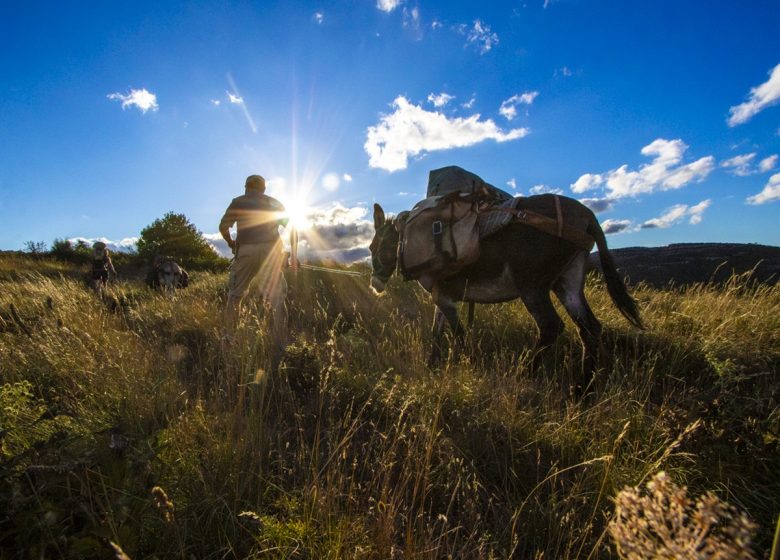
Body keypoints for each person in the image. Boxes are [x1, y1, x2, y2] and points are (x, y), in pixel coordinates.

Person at [219, 174, 289, 346]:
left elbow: (223, 227)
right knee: (276, 298)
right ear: (263, 188)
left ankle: (230, 338)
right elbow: (292, 229)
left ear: (246, 187)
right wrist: (292, 255)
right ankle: (280, 340)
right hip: (270, 251)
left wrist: (231, 243)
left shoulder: (238, 201)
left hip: (246, 250)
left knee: (235, 296)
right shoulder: (274, 202)